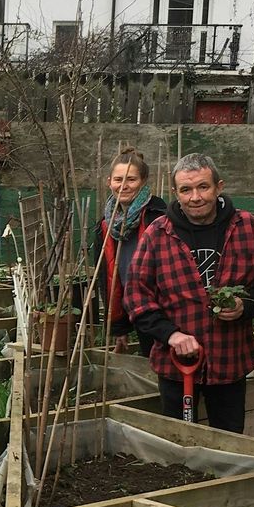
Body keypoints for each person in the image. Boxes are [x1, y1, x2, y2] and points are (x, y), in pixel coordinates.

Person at [124, 152, 254, 433]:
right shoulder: (158, 234)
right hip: (175, 364)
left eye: (203, 187)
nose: (195, 197)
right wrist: (171, 334)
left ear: (219, 187)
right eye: (186, 189)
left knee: (229, 439)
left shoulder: (247, 228)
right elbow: (136, 295)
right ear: (175, 193)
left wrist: (245, 305)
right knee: (178, 439)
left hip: (229, 359)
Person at [96, 148, 166, 357]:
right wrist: (120, 328)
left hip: (161, 306)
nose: (123, 185)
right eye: (118, 179)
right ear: (109, 181)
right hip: (133, 304)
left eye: (131, 179)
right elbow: (108, 278)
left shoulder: (158, 216)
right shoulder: (106, 223)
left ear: (143, 181)